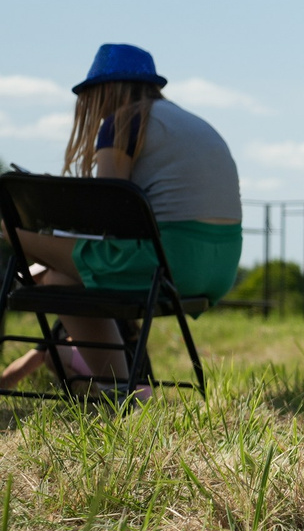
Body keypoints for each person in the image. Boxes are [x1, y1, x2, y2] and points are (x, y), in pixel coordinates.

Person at [0, 44, 241, 393]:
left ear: (107, 89)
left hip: (171, 263)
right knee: (59, 277)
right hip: (218, 268)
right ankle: (122, 388)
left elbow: (107, 217)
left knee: (13, 232)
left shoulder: (124, 121)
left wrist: (49, 213)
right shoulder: (189, 121)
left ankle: (118, 386)